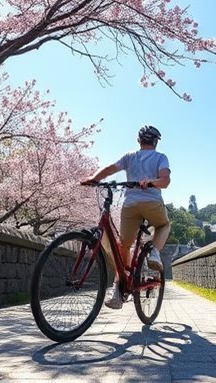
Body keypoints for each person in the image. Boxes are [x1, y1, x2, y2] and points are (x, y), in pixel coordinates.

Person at [80, 125, 172, 310]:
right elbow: (165, 181)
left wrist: (94, 178)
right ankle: (154, 252)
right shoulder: (161, 157)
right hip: (152, 203)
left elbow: (110, 168)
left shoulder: (130, 157)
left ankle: (117, 290)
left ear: (138, 140)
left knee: (124, 245)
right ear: (156, 142)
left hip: (130, 206)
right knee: (164, 225)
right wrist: (152, 182)